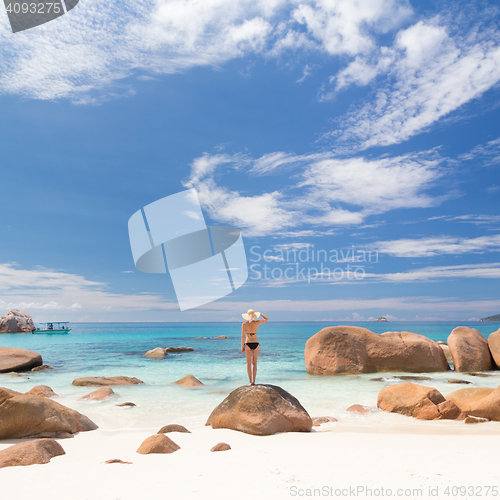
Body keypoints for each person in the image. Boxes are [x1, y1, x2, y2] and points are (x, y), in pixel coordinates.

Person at [241, 309, 268, 386]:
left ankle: (250, 382)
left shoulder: (244, 324)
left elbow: (243, 336)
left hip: (248, 343)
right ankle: (254, 381)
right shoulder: (257, 322)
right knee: (255, 363)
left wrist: (242, 346)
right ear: (254, 316)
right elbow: (266, 319)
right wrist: (260, 314)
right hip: (256, 343)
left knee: (248, 363)